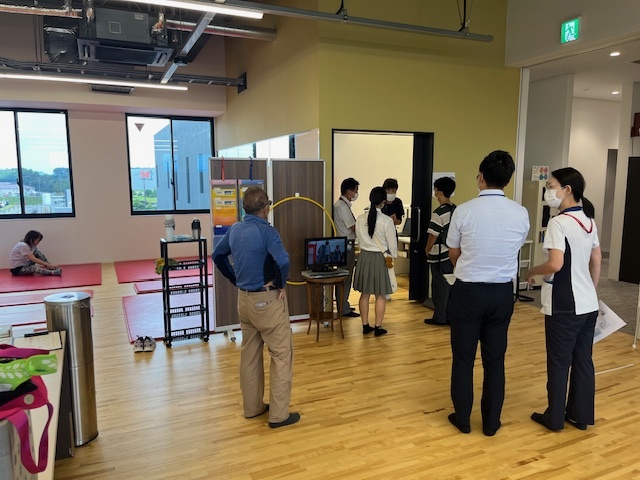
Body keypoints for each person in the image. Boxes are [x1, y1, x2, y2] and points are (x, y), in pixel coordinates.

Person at [446, 151, 529, 436]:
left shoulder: (463, 211)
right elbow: (515, 248)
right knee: (495, 360)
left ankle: (463, 418)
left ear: (480, 177)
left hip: (468, 291)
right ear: (508, 180)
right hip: (502, 292)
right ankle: (492, 422)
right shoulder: (521, 213)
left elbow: (453, 252)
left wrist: (469, 266)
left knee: (463, 358)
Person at [212, 187, 300, 429]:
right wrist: (280, 284)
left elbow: (217, 256)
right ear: (266, 207)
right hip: (267, 301)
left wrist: (234, 278)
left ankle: (252, 408)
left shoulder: (235, 229)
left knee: (249, 355)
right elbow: (283, 260)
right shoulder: (267, 231)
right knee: (281, 355)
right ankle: (279, 416)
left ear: (244, 208)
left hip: (244, 301)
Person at [526, 168, 601, 432]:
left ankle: (555, 418)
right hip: (588, 304)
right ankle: (580, 416)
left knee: (558, 363)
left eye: (551, 186)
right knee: (583, 361)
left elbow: (555, 264)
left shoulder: (559, 223)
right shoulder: (588, 220)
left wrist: (532, 271)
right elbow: (596, 259)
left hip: (564, 306)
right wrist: (591, 290)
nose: (548, 191)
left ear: (567, 190)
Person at [353, 186, 397, 337]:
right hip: (380, 258)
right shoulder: (386, 221)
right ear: (383, 202)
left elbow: (358, 240)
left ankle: (365, 326)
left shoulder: (360, 219)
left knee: (364, 294)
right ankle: (378, 327)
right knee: (380, 295)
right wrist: (393, 257)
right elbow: (392, 244)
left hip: (364, 257)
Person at [424, 176, 456, 326]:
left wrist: (427, 248)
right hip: (451, 253)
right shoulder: (455, 209)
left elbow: (433, 235)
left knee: (439, 287)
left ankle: (439, 317)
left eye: (435, 190)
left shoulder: (438, 213)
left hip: (439, 255)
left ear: (439, 192)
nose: (435, 192)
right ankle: (449, 316)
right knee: (449, 286)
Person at [333, 177, 361, 318]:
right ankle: (343, 308)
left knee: (344, 276)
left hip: (344, 244)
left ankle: (344, 304)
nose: (356, 194)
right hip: (346, 244)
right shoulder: (342, 207)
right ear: (348, 191)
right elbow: (354, 227)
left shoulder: (341, 205)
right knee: (345, 276)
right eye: (355, 191)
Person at [381, 178, 403, 301]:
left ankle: (388, 289)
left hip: (391, 235)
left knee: (389, 263)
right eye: (389, 190)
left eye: (394, 191)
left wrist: (395, 221)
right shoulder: (380, 202)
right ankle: (380, 289)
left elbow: (399, 220)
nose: (391, 193)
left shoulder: (397, 202)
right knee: (380, 264)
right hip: (380, 237)